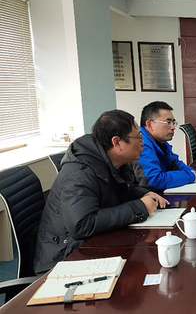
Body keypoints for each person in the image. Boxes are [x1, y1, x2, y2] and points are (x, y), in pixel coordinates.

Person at [34, 110, 168, 271]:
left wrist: (143, 194)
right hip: (67, 256)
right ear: (117, 142)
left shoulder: (115, 160)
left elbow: (124, 188)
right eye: (139, 138)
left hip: (95, 243)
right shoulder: (79, 174)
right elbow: (82, 225)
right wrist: (140, 207)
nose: (143, 143)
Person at [133, 101, 196, 190]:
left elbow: (175, 163)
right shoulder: (142, 144)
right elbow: (153, 180)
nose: (173, 127)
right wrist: (189, 176)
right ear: (149, 124)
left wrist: (192, 172)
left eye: (173, 123)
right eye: (168, 122)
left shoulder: (161, 142)